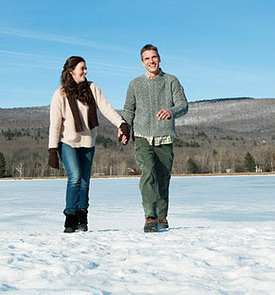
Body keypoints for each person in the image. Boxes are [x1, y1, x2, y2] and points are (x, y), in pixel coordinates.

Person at [48, 56, 130, 233]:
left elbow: (107, 108)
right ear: (71, 71)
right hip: (67, 143)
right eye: (82, 68)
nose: (85, 72)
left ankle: (82, 216)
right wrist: (52, 150)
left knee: (85, 182)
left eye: (85, 68)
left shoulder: (92, 88)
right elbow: (55, 124)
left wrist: (121, 123)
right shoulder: (60, 94)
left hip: (87, 142)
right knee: (75, 177)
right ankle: (70, 218)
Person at [122, 44, 188, 232]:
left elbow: (183, 105)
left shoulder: (171, 81)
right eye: (147, 59)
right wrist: (125, 128)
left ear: (159, 58)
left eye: (154, 57)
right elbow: (128, 110)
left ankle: (161, 216)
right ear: (142, 62)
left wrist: (170, 111)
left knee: (162, 177)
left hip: (164, 137)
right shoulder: (135, 84)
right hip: (142, 136)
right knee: (149, 172)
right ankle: (150, 217)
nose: (151, 61)